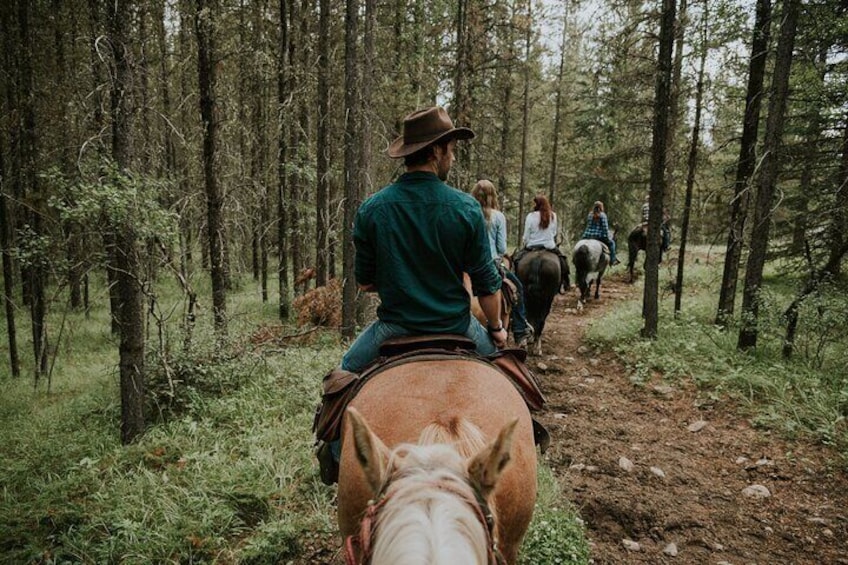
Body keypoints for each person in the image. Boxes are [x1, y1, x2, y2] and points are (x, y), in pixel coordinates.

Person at [342, 106, 507, 372]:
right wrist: (497, 328)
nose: (452, 158)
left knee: (343, 375)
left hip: (393, 328)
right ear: (436, 151)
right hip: (456, 326)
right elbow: (486, 285)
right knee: (508, 379)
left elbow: (365, 282)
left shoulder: (372, 209)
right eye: (451, 149)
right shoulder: (466, 208)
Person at [470, 179, 534, 346]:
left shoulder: (468, 212)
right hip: (490, 263)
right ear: (493, 196)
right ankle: (520, 330)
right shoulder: (498, 216)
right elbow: (501, 247)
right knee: (517, 287)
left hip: (467, 264)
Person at [514, 194, 570, 293]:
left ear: (537, 204)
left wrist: (525, 242)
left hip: (531, 246)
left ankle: (516, 285)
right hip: (549, 246)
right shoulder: (553, 215)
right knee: (563, 261)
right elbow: (554, 233)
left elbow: (526, 235)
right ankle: (564, 283)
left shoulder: (530, 216)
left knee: (516, 261)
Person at [581, 200, 619, 265]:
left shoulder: (590, 214)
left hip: (587, 235)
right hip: (598, 237)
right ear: (601, 207)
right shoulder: (603, 215)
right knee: (612, 243)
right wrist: (608, 237)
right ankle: (613, 260)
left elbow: (588, 225)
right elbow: (605, 229)